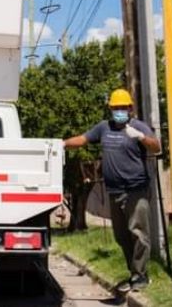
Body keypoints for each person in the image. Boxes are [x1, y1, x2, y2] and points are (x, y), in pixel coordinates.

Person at [63, 89, 161, 292]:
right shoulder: (104, 128)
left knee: (139, 232)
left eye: (122, 107)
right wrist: (61, 144)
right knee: (121, 236)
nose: (119, 111)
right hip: (115, 190)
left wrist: (141, 137)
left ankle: (141, 275)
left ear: (130, 108)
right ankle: (133, 273)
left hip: (136, 189)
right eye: (115, 108)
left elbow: (156, 147)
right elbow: (82, 140)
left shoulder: (138, 127)